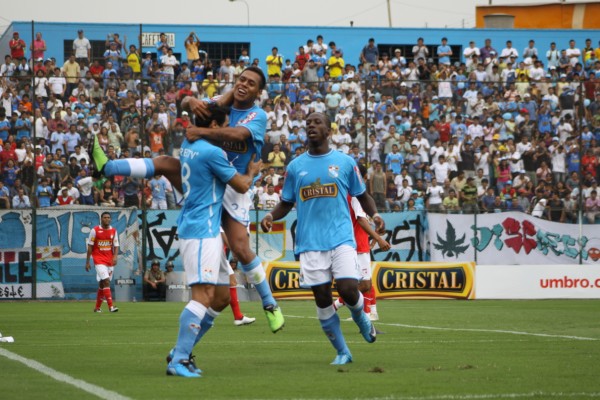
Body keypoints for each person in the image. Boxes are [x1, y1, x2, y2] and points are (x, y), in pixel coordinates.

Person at [89, 68, 285, 333]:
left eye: (250, 84)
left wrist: (201, 131)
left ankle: (270, 305)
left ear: (258, 92)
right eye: (241, 79)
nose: (243, 85)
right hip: (208, 178)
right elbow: (188, 105)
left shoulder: (256, 115)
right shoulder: (220, 104)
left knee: (240, 248)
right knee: (165, 162)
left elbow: (238, 135)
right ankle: (108, 167)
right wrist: (190, 101)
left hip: (234, 186)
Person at [261, 112, 384, 365]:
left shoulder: (345, 163)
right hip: (310, 242)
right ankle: (343, 352)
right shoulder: (295, 167)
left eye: (317, 122)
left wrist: (375, 214)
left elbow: (362, 195)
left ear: (329, 131)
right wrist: (271, 215)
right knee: (323, 298)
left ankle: (361, 318)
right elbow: (286, 202)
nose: (311, 125)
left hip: (341, 238)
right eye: (308, 123)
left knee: (348, 289)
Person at [165, 107, 262, 378]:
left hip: (206, 230)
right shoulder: (211, 152)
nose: (227, 130)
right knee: (203, 296)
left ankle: (179, 352)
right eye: (224, 124)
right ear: (216, 125)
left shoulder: (190, 145)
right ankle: (179, 359)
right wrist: (252, 172)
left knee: (220, 298)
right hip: (202, 230)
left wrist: (190, 101)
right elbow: (241, 185)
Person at [86, 212, 119, 313]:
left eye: (108, 217)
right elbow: (90, 246)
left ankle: (97, 308)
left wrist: (115, 257)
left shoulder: (113, 230)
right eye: (105, 217)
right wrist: (87, 261)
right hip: (99, 260)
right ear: (101, 219)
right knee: (106, 281)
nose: (107, 219)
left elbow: (116, 245)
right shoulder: (95, 230)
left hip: (109, 260)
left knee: (102, 284)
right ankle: (111, 307)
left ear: (110, 219)